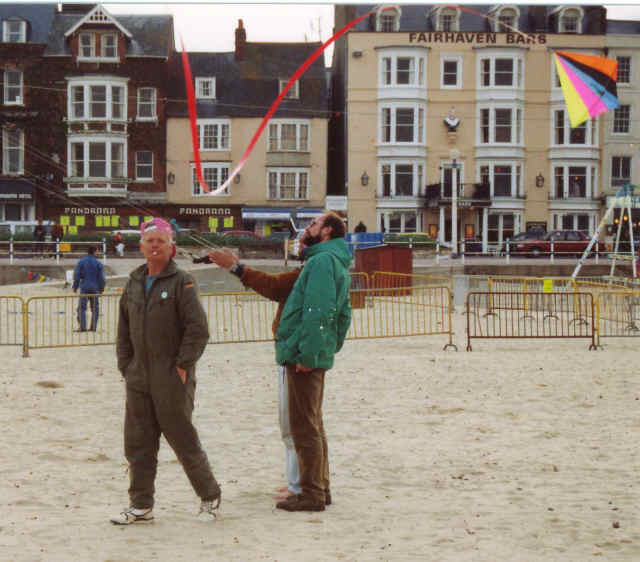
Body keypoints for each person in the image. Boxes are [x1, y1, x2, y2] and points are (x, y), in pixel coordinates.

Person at [111, 217, 221, 525]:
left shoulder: (182, 281)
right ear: (141, 246)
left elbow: (198, 329)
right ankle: (141, 506)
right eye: (150, 241)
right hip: (138, 379)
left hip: (171, 378)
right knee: (138, 443)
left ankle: (209, 497)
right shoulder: (133, 282)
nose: (155, 245)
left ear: (171, 247)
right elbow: (123, 331)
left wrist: (183, 366)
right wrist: (126, 367)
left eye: (161, 240)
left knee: (183, 440)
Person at [206, 241, 306, 503]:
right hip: (292, 353)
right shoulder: (312, 268)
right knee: (293, 426)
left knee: (295, 426)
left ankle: (301, 486)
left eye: (309, 232)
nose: (299, 241)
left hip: (297, 355)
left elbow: (273, 285)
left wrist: (236, 268)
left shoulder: (313, 269)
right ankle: (298, 483)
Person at [274, 211, 352, 512]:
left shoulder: (321, 262)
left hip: (304, 356)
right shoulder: (334, 261)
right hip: (314, 353)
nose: (308, 228)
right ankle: (320, 487)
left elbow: (317, 312)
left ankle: (312, 494)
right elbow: (342, 314)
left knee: (304, 426)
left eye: (315, 224)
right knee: (313, 424)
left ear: (328, 231)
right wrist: (329, 347)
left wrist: (308, 354)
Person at [72, 246, 106, 332]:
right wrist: (101, 289)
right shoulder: (98, 263)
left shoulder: (81, 262)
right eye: (97, 251)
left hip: (84, 287)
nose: (98, 253)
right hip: (95, 288)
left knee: (81, 308)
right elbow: (102, 278)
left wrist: (75, 287)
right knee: (95, 308)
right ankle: (93, 327)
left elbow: (76, 276)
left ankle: (82, 327)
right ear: (94, 252)